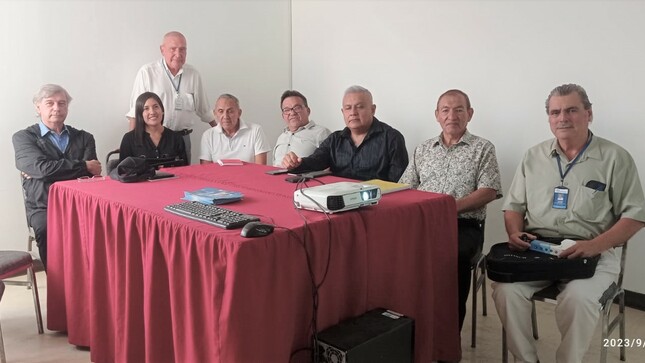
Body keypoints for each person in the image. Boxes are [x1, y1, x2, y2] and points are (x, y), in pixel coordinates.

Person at [492, 84, 645, 363]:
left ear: (589, 114)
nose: (563, 118)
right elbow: (513, 207)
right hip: (538, 249)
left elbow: (635, 216)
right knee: (506, 291)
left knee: (577, 300)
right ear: (549, 118)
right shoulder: (533, 157)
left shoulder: (615, 158)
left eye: (572, 110)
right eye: (555, 112)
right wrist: (515, 232)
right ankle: (526, 360)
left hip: (594, 251)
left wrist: (593, 245)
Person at [399, 89, 502, 333]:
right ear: (437, 115)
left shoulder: (482, 148)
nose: (451, 115)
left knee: (452, 258)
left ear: (470, 114)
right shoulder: (423, 149)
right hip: (423, 223)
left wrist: (446, 208)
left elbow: (489, 191)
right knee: (395, 251)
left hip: (463, 225)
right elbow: (404, 188)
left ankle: (447, 340)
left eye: (458, 109)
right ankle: (406, 328)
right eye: (445, 110)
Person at [13, 84, 102, 269]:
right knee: (46, 229)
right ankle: (59, 289)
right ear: (38, 107)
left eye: (62, 103)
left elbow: (91, 174)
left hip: (81, 204)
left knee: (105, 225)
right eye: (50, 103)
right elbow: (42, 168)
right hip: (44, 206)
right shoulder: (23, 138)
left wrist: (47, 171)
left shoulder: (85, 138)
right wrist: (82, 165)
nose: (57, 108)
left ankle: (94, 282)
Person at [282, 85, 408, 181]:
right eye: (348, 108)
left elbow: (399, 183)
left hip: (377, 204)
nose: (353, 112)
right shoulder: (335, 140)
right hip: (339, 202)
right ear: (343, 112)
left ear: (373, 110)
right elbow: (315, 162)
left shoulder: (392, 138)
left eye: (359, 107)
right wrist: (296, 163)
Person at [126, 31, 216, 163]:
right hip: (152, 139)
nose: (178, 54)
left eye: (182, 49)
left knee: (184, 181)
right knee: (149, 179)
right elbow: (135, 111)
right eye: (173, 49)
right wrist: (132, 142)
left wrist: (224, 132)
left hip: (182, 140)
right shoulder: (147, 72)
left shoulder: (193, 75)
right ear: (162, 50)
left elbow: (205, 111)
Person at [119, 92, 188, 166]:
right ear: (140, 114)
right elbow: (123, 172)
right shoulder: (129, 139)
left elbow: (185, 169)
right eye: (146, 108)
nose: (152, 112)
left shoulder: (176, 138)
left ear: (162, 111)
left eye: (156, 107)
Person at [199, 94, 270, 164]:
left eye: (230, 111)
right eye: (221, 111)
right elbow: (205, 170)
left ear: (239, 113)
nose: (225, 116)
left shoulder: (255, 131)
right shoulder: (208, 135)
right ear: (215, 113)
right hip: (217, 176)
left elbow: (260, 168)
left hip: (248, 175)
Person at [272, 90, 331, 166]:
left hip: (303, 177)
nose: (292, 113)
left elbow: (330, 166)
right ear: (283, 115)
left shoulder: (321, 133)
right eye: (287, 110)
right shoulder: (281, 137)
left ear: (308, 111)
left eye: (297, 108)